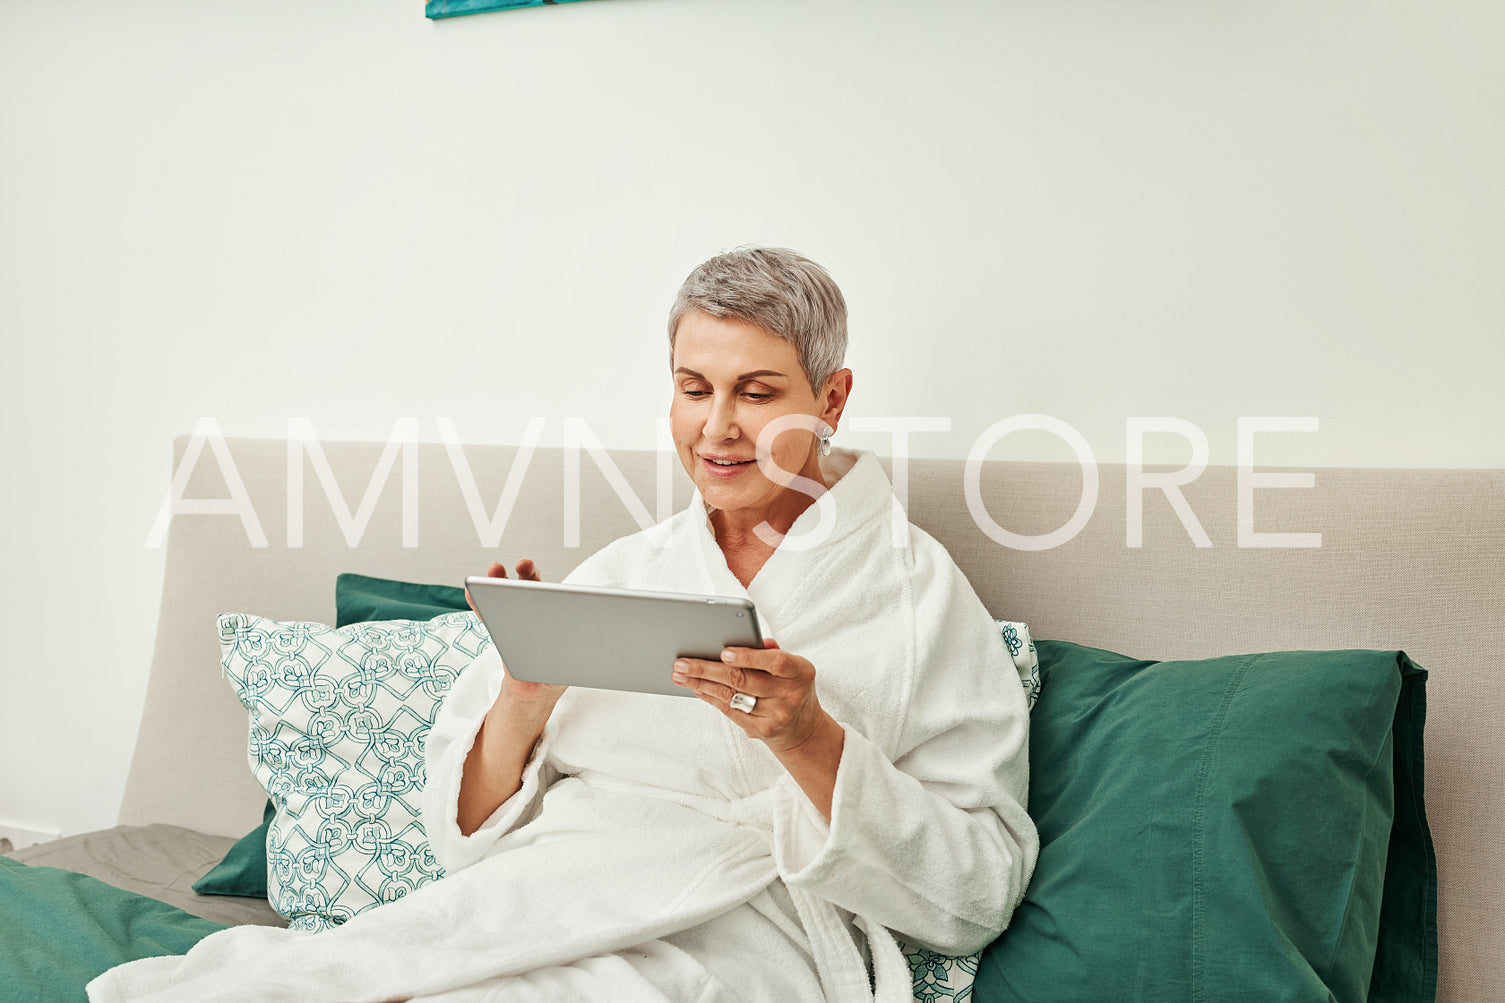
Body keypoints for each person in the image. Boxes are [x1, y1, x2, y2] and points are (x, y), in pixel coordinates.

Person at [89, 247, 1037, 1003]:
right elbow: (468, 834)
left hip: (745, 930)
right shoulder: (628, 572)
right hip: (553, 894)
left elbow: (978, 890)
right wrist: (524, 693)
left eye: (756, 392)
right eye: (692, 387)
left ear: (829, 401)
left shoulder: (916, 594)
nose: (716, 430)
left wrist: (809, 737)